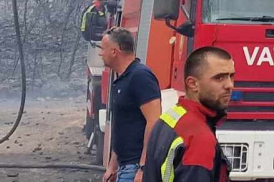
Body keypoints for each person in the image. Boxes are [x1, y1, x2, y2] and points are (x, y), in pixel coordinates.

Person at [142, 47, 235, 182]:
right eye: (219, 78)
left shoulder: (172, 116)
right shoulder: (198, 139)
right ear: (192, 84)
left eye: (231, 76)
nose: (229, 85)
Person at [100, 27, 162, 182]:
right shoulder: (121, 80)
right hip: (124, 167)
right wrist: (112, 166)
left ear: (114, 51)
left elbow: (154, 122)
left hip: (135, 168)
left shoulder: (141, 76)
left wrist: (143, 167)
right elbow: (122, 128)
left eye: (103, 49)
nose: (101, 54)